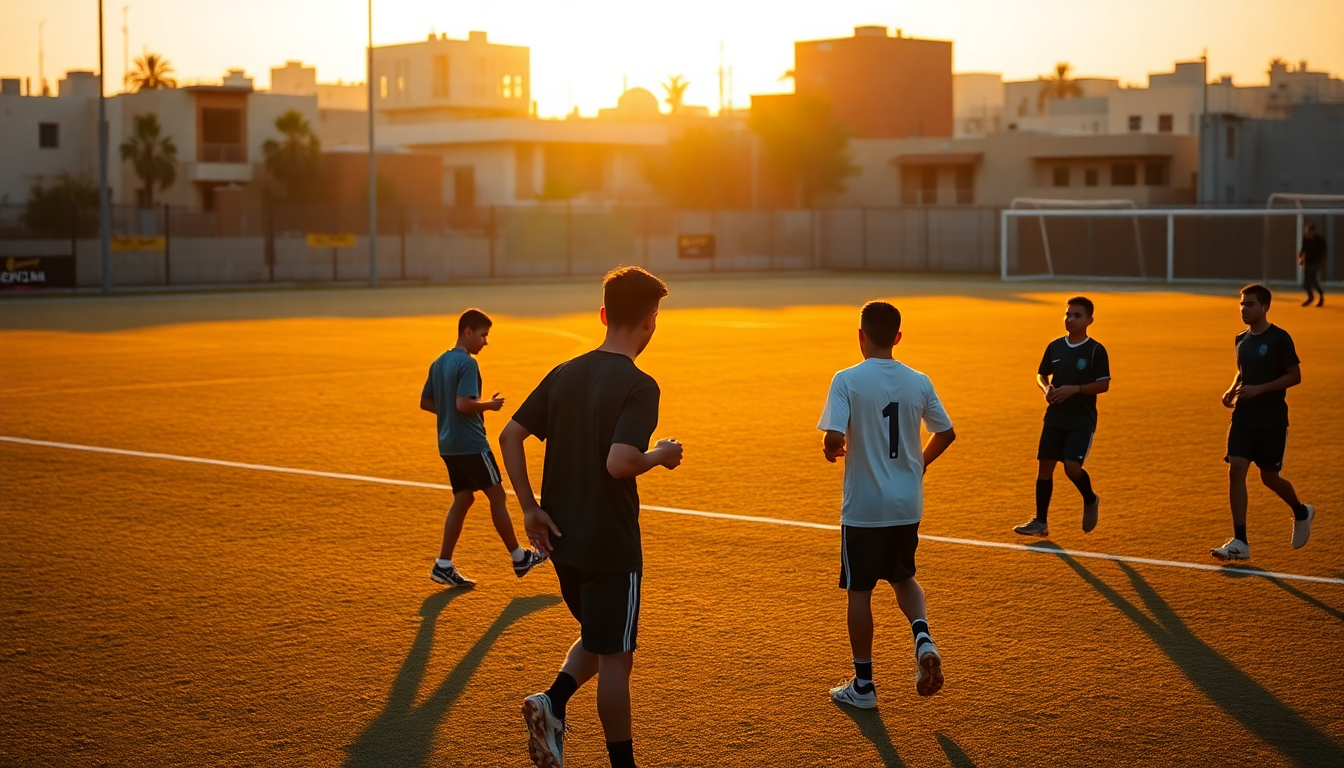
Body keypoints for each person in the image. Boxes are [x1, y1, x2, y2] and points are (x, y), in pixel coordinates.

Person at [501, 267, 682, 768]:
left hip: (564, 543)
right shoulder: (640, 385)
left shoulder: (564, 372)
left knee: (604, 638)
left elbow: (509, 436)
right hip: (610, 543)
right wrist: (662, 454)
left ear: (603, 315)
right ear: (651, 322)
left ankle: (551, 703)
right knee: (616, 660)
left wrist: (529, 507)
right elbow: (620, 462)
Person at [818, 301, 957, 710]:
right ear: (897, 338)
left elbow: (832, 438)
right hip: (906, 504)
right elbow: (946, 433)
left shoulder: (847, 379)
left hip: (864, 507)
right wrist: (918, 466)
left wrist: (832, 448)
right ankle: (922, 636)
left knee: (859, 592)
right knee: (903, 577)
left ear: (860, 336)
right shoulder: (919, 380)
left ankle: (864, 686)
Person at [419, 308, 546, 588]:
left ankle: (443, 565)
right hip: (471, 443)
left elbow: (426, 402)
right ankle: (519, 557)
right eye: (483, 335)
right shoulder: (467, 364)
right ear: (468, 332)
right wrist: (488, 405)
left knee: (463, 499)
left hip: (448, 444)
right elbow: (463, 404)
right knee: (497, 496)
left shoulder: (439, 361)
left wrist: (450, 415)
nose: (485, 342)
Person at [1212, 284, 1316, 561]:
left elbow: (1294, 376)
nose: (1244, 309)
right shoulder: (1240, 339)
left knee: (1269, 477)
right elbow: (1241, 371)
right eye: (1242, 304)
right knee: (1236, 468)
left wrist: (1259, 389)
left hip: (1271, 420)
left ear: (1266, 307)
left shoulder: (1280, 338)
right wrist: (1232, 389)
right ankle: (1240, 541)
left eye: (1251, 304)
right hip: (1243, 417)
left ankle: (1301, 511)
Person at [1014, 297, 1110, 537]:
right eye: (1068, 314)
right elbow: (1041, 374)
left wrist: (1074, 389)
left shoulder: (1095, 350)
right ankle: (1040, 522)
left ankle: (1090, 499)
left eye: (1077, 315)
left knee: (1071, 467)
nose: (1070, 319)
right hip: (1055, 416)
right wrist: (1046, 388)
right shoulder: (1055, 346)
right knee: (1045, 466)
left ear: (1089, 320)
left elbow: (1103, 384)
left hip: (1081, 420)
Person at [1299, 223, 1327, 307]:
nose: (1306, 232)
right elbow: (1303, 249)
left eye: (1308, 230)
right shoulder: (1305, 239)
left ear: (1312, 231)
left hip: (1316, 263)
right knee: (1305, 283)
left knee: (1313, 280)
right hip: (1308, 262)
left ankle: (1321, 296)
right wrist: (1301, 258)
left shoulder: (1319, 240)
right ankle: (1311, 297)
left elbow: (1324, 252)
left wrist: (1322, 261)